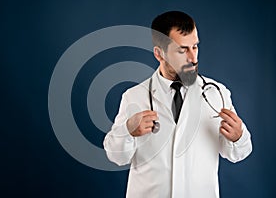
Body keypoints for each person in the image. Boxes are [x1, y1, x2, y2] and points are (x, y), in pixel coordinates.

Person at [103, 11, 252, 198]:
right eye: (182, 50)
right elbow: (116, 156)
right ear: (159, 54)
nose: (193, 58)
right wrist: (127, 130)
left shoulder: (217, 94)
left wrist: (238, 137)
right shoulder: (134, 97)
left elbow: (237, 154)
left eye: (195, 47)